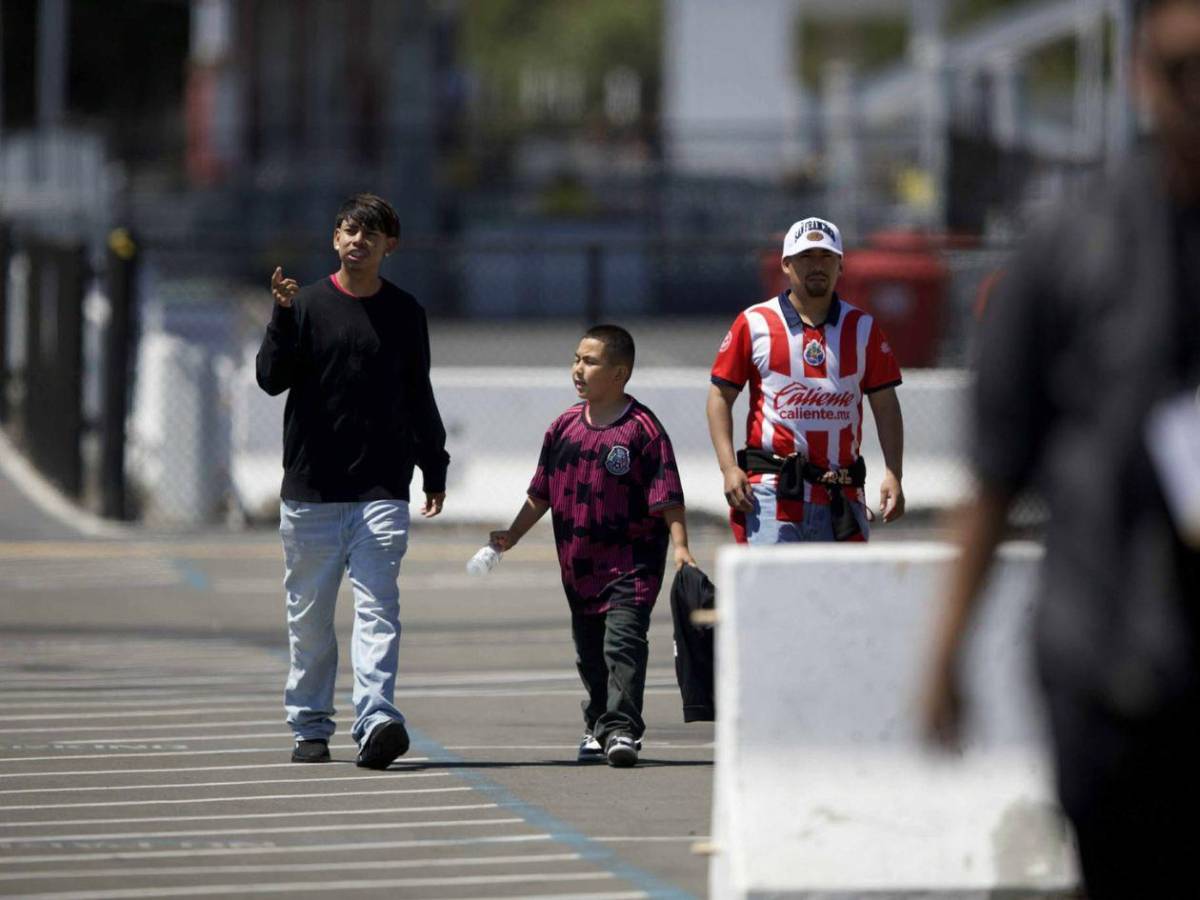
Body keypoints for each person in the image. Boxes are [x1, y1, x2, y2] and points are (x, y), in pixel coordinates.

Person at [921, 0, 1200, 894]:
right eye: (1181, 71)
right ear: (1139, 76)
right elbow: (996, 473)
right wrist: (945, 652)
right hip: (1107, 666)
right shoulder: (1069, 247)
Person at [256, 193, 450, 770]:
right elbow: (270, 380)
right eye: (347, 230)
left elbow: (419, 393)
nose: (357, 240)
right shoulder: (307, 304)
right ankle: (310, 725)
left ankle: (376, 720)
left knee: (378, 609)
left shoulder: (406, 312)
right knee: (310, 620)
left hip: (380, 491)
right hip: (312, 491)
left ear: (390, 245)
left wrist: (432, 464)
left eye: (370, 232)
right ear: (334, 240)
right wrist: (282, 317)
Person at [488, 325, 696, 768]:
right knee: (590, 655)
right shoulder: (562, 428)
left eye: (590, 361)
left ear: (620, 373)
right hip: (579, 569)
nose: (578, 369)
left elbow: (668, 496)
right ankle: (598, 723)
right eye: (576, 359)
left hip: (631, 567)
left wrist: (681, 548)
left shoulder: (643, 430)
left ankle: (622, 731)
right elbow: (539, 493)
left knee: (622, 645)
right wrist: (512, 535)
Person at [707, 217, 906, 544]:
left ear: (841, 265)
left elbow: (885, 405)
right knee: (774, 593)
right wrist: (729, 468)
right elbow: (719, 397)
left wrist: (894, 473)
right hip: (772, 494)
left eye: (827, 257)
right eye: (806, 257)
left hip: (842, 495)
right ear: (786, 264)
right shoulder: (754, 322)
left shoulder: (863, 328)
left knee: (841, 595)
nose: (817, 266)